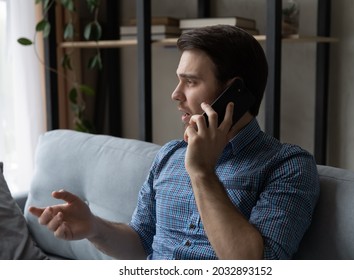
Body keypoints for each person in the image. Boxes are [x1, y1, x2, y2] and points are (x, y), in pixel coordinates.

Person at [29, 25, 320, 260]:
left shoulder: (287, 166)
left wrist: (202, 172)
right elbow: (140, 244)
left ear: (235, 93)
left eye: (190, 82)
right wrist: (94, 227)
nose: (175, 94)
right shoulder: (169, 156)